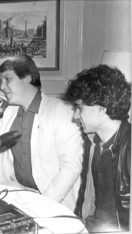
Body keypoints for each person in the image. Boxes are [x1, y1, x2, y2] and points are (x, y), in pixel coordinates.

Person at [0, 54, 83, 210]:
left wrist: (44, 204)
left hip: (52, 200)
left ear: (27, 78)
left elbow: (71, 167)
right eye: (1, 81)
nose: (1, 87)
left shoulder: (61, 111)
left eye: (7, 79)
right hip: (17, 196)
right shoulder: (10, 112)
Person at [63, 64, 131, 232]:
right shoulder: (93, 143)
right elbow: (88, 200)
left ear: (102, 108)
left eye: (80, 108)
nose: (75, 116)